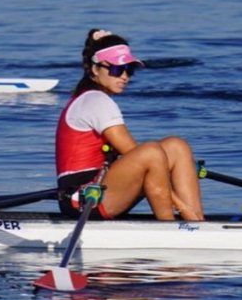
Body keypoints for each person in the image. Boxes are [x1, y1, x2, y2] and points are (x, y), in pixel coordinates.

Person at [55, 29, 204, 221]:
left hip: (104, 184)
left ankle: (197, 222)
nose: (124, 76)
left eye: (129, 70)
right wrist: (180, 205)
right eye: (117, 69)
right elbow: (134, 152)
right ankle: (170, 223)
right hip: (83, 198)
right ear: (95, 69)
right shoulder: (95, 100)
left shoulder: (92, 98)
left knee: (177, 146)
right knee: (151, 151)